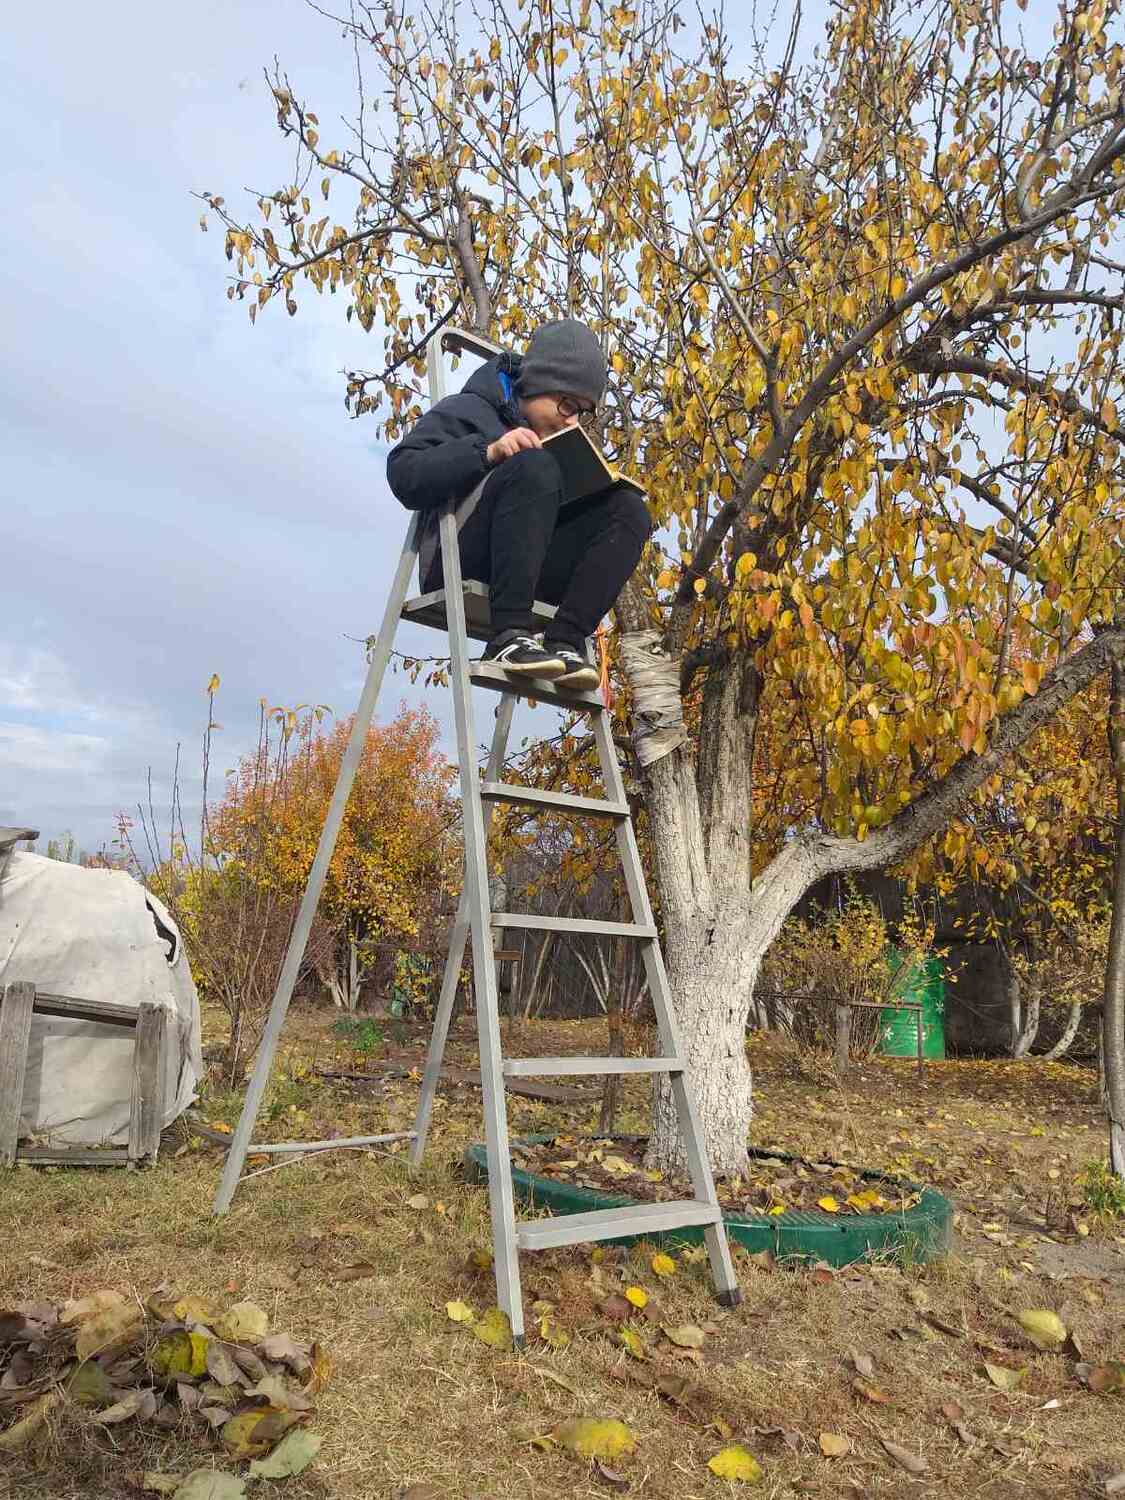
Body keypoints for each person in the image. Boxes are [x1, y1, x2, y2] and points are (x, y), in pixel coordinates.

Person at [386, 318, 652, 689]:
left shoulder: (556, 435)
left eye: (581, 412)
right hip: (461, 557)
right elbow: (403, 472)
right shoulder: (469, 409)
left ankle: (566, 640)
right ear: (538, 383)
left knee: (628, 508)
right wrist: (487, 452)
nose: (571, 421)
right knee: (534, 465)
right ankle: (507, 637)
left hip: (528, 564)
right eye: (567, 405)